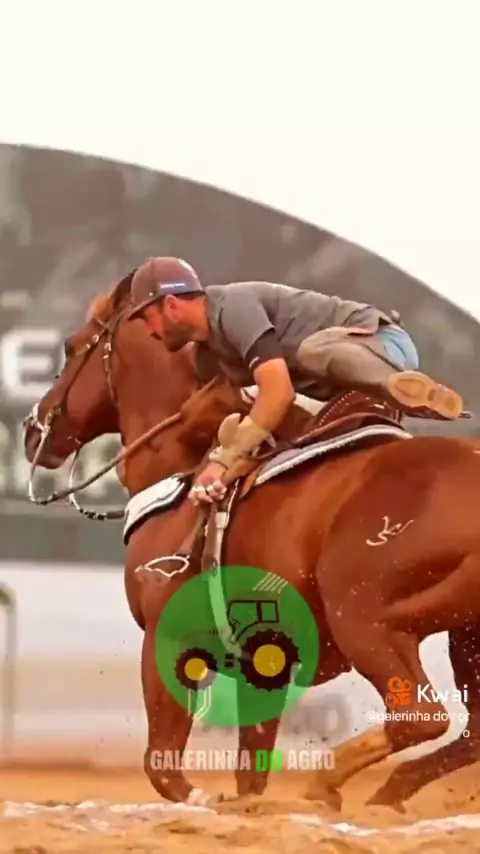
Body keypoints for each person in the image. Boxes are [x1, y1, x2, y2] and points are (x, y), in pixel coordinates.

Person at [129, 256, 464, 505]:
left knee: (311, 351)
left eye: (146, 317)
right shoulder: (207, 357)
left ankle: (398, 386)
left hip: (382, 342)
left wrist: (224, 459)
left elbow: (278, 393)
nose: (149, 331)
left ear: (170, 305)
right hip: (331, 388)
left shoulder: (233, 307)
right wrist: (227, 456)